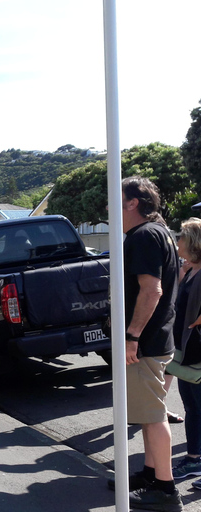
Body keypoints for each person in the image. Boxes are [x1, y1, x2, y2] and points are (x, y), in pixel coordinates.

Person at [117, 177, 181, 512]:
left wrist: (132, 336)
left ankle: (167, 490)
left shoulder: (143, 236)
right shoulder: (159, 233)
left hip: (146, 342)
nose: (110, 205)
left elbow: (151, 290)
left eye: (118, 196)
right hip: (155, 339)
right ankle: (150, 476)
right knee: (146, 413)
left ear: (133, 202)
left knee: (154, 416)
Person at [169, 219, 201, 485]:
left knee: (198, 407)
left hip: (198, 353)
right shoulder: (190, 270)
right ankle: (194, 458)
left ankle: (195, 459)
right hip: (185, 352)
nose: (177, 241)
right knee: (192, 407)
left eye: (181, 237)